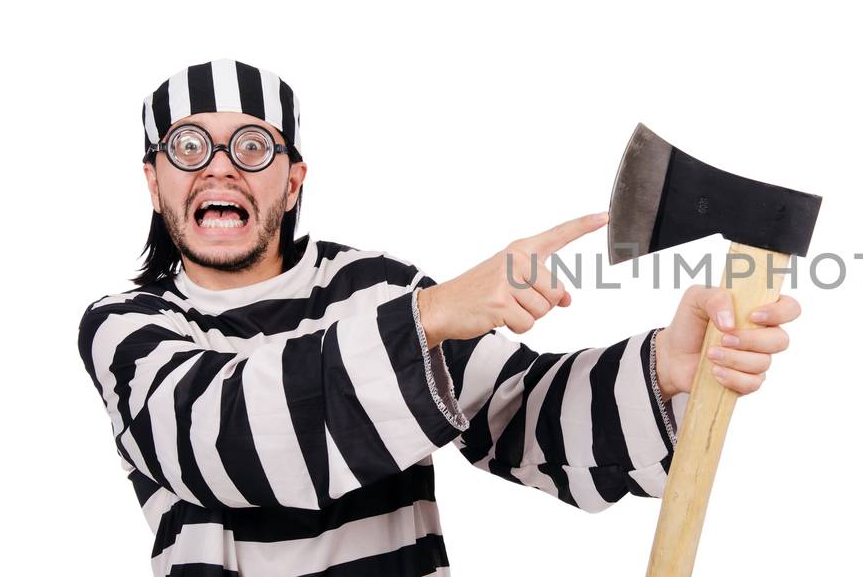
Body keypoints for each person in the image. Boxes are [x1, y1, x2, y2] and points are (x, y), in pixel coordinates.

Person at [78, 59, 802, 576]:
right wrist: (429, 314)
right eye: (188, 146)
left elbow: (518, 416)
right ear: (154, 179)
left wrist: (661, 373)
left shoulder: (374, 289)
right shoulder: (128, 327)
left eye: (254, 146)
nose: (220, 167)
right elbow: (225, 439)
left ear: (293, 178)